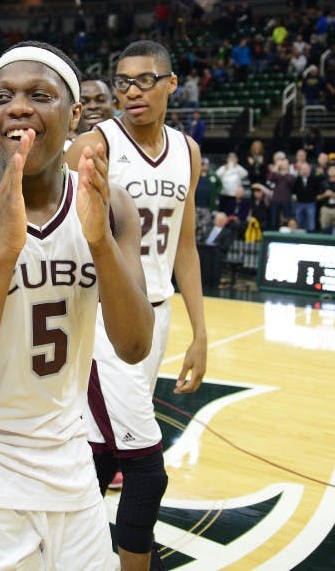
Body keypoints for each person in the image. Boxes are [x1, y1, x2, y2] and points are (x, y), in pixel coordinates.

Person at [0, 42, 152, 570]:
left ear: (76, 115)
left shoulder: (111, 206)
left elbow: (134, 346)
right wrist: (4, 251)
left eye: (39, 95)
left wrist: (100, 243)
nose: (18, 107)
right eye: (3, 97)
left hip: (66, 460)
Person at [67, 39, 207, 571]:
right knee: (146, 470)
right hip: (104, 318)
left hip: (158, 314)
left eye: (145, 80)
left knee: (100, 454)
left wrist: (200, 332)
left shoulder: (188, 151)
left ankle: (54, 551)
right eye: (122, 82)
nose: (132, 91)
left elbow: (185, 245)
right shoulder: (92, 144)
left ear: (172, 83)